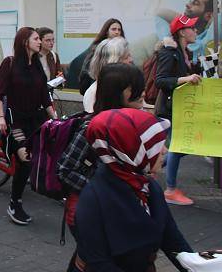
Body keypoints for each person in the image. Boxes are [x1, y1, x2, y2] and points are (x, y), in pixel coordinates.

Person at [73, 108, 191, 271]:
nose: (165, 150)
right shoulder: (93, 198)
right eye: (156, 145)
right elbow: (99, 264)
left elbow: (174, 242)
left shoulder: (149, 187)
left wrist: (201, 265)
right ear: (133, 150)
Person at [57, 63, 147, 265]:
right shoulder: (93, 126)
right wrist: (101, 194)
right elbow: (65, 169)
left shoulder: (134, 123)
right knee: (98, 259)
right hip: (88, 213)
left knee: (92, 259)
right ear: (117, 92)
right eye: (134, 89)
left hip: (115, 212)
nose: (142, 94)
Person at [0, 27, 57, 225]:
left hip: (35, 120)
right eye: (36, 39)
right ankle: (15, 203)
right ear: (25, 42)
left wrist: (55, 118)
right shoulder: (9, 63)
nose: (40, 42)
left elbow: (45, 97)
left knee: (30, 161)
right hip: (15, 121)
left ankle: (17, 199)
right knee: (25, 157)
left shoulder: (38, 64)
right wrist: (0, 117)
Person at [155, 14, 203, 206]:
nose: (195, 30)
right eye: (192, 27)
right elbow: (161, 80)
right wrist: (186, 79)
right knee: (178, 146)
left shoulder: (185, 53)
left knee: (182, 147)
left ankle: (156, 165)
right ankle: (170, 189)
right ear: (182, 32)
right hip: (169, 108)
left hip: (181, 107)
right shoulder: (169, 52)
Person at [81, 37, 132, 113]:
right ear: (113, 62)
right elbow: (95, 122)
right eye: (126, 57)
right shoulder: (94, 93)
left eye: (130, 56)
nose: (131, 60)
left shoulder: (127, 86)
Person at [77, 18, 124, 94]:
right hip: (97, 87)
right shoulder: (98, 48)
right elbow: (88, 71)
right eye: (114, 29)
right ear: (106, 31)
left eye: (119, 30)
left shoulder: (122, 49)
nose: (117, 32)